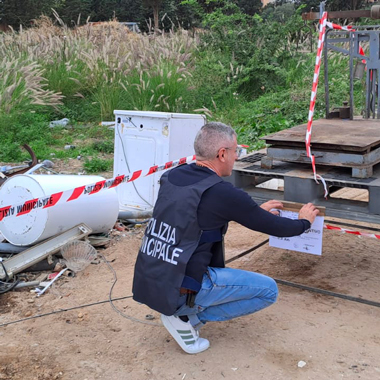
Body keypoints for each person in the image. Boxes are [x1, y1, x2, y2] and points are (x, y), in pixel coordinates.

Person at [132, 122, 319, 354]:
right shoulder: (222, 193)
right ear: (222, 154)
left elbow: (199, 216)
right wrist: (304, 222)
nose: (236, 157)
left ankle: (179, 309)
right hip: (183, 287)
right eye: (235, 151)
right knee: (268, 290)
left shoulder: (172, 176)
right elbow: (276, 227)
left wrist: (254, 211)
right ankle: (187, 318)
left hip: (152, 280)